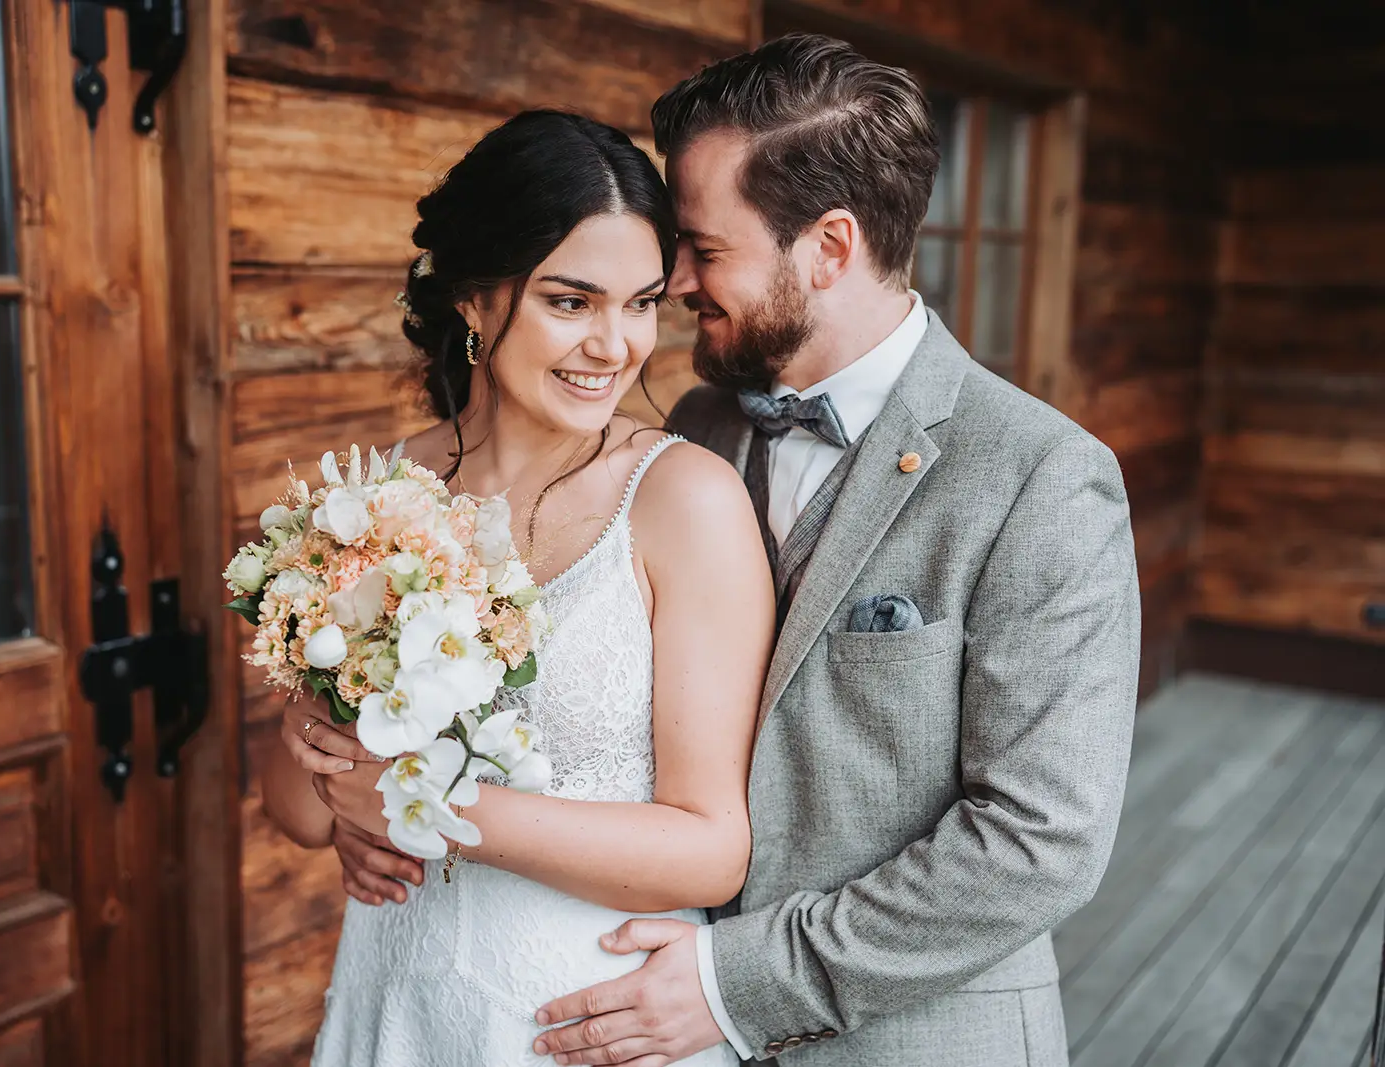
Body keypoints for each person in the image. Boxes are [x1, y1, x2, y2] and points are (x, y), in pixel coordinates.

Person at [329, 35, 1142, 1067]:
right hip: (605, 1003)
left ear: (829, 249)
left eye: (702, 248)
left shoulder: (1038, 477)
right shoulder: (696, 429)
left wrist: (736, 979)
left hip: (905, 1037)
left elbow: (1040, 846)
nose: (671, 281)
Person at [262, 108, 774, 1067]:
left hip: (586, 1016)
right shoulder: (381, 493)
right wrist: (323, 754)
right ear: (472, 297)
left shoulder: (681, 501)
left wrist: (425, 806)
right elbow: (292, 808)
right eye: (571, 302)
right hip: (401, 994)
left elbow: (712, 847)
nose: (615, 346)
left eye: (640, 303)